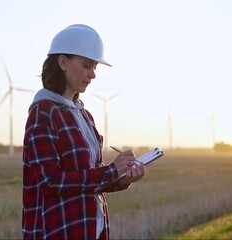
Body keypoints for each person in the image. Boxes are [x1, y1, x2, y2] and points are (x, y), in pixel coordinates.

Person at [22, 24, 146, 240]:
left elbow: (92, 181)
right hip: (60, 232)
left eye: (95, 67)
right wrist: (111, 171)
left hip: (93, 229)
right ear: (62, 62)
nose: (93, 75)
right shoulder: (44, 112)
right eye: (87, 65)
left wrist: (122, 177)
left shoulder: (85, 116)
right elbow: (50, 182)